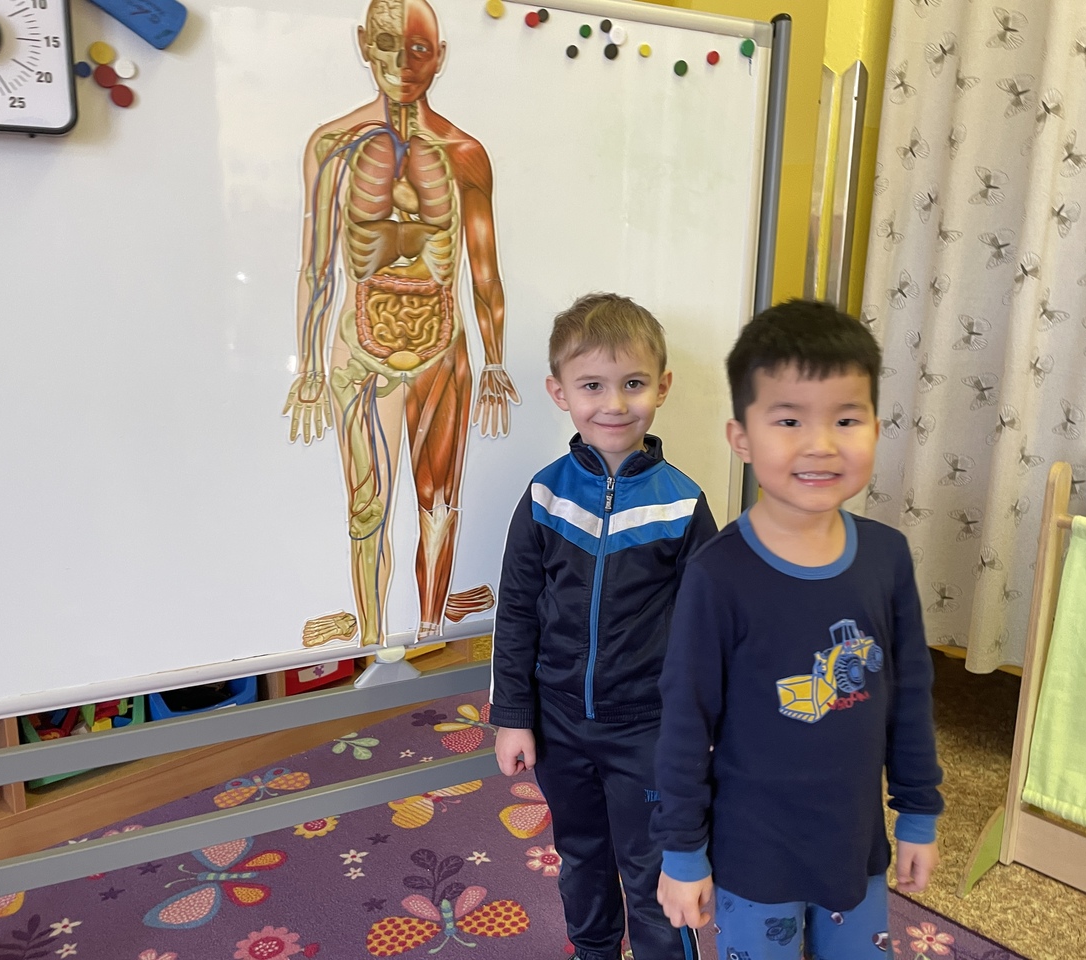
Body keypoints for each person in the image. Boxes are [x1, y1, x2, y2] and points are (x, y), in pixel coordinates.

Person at [653, 300, 943, 960]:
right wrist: (682, 852)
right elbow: (684, 723)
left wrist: (918, 811)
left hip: (854, 848)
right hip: (752, 857)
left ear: (876, 427)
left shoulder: (887, 558)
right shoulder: (716, 575)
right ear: (742, 438)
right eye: (789, 420)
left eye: (846, 419)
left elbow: (909, 697)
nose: (820, 444)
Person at [490, 293, 718, 960]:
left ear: (662, 388)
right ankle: (593, 950)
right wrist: (514, 716)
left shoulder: (682, 505)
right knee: (581, 853)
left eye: (633, 384)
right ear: (559, 392)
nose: (614, 404)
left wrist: (705, 727)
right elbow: (517, 610)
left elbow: (710, 631)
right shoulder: (545, 496)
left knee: (653, 870)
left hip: (649, 729)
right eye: (592, 385)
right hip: (560, 724)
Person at [284, 0, 518, 648]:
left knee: (439, 504)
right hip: (360, 351)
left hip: (443, 348)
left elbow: (485, 270)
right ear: (365, 44)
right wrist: (308, 366)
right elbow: (316, 265)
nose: (402, 62)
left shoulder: (465, 153)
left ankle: (429, 633)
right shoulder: (333, 147)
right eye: (388, 45)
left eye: (418, 49)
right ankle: (371, 641)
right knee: (368, 508)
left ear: (438, 57)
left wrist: (495, 361)